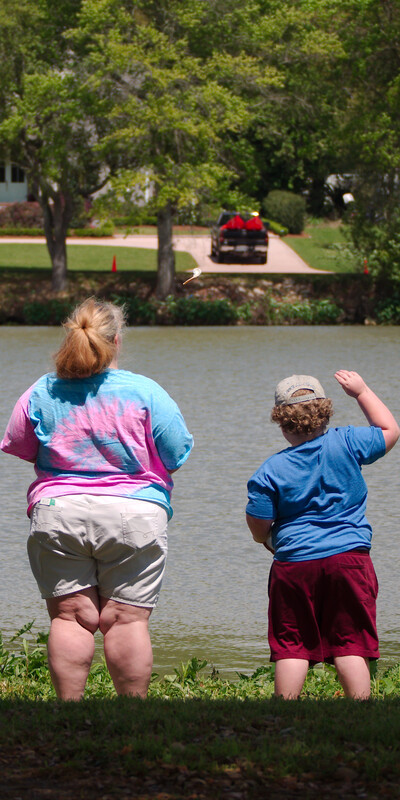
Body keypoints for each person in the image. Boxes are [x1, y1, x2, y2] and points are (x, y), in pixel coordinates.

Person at [1, 298, 193, 700]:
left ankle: (69, 711)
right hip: (136, 511)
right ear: (117, 341)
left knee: (71, 618)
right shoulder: (145, 391)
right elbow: (176, 454)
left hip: (58, 511)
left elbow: (19, 445)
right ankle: (131, 714)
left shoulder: (41, 390)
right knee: (126, 621)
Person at [246, 371, 399, 700]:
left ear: (282, 423)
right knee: (350, 642)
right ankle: (359, 708)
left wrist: (269, 540)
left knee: (292, 646)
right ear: (325, 412)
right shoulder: (347, 442)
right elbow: (390, 430)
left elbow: (258, 523)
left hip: (294, 566)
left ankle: (284, 708)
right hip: (349, 560)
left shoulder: (269, 471)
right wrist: (361, 392)